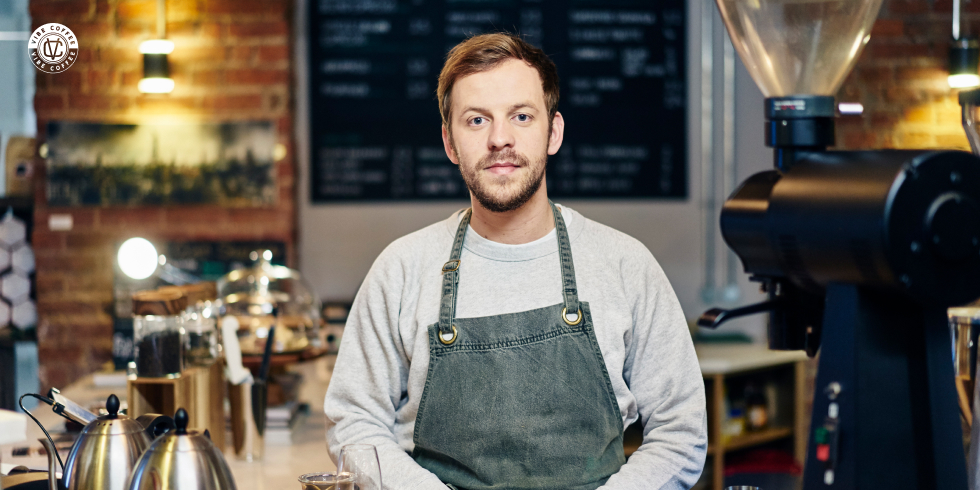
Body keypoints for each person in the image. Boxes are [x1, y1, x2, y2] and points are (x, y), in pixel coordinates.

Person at [324, 33, 707, 490]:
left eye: (521, 116)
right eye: (476, 120)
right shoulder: (401, 269)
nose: (499, 139)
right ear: (450, 143)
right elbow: (354, 424)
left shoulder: (625, 264)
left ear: (554, 132)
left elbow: (680, 433)